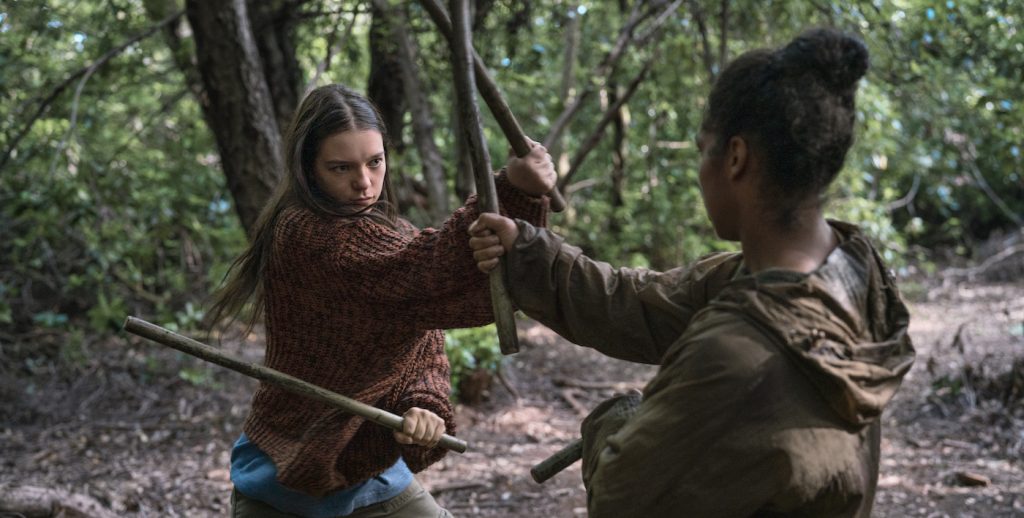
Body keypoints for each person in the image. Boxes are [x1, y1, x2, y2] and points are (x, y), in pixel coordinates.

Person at [469, 28, 915, 517]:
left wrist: (618, 421)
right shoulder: (851, 268)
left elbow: (621, 494)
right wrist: (529, 252)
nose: (702, 168)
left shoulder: (731, 358)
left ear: (736, 158)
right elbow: (644, 304)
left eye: (705, 149)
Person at [205, 84, 556, 517]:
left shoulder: (392, 232)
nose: (364, 183)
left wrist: (423, 405)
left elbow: (425, 334)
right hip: (287, 468)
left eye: (375, 162)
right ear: (307, 169)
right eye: (340, 168)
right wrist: (510, 193)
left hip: (369, 470)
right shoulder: (303, 234)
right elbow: (419, 275)